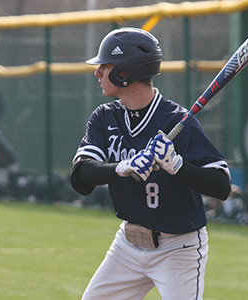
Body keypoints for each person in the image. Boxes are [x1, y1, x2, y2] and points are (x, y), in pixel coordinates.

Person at [70, 28, 231, 300]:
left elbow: (221, 186)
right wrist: (122, 167)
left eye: (105, 65)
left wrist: (177, 166)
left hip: (177, 248)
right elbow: (81, 177)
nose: (97, 72)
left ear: (126, 71)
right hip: (127, 246)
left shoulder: (179, 121)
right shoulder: (105, 117)